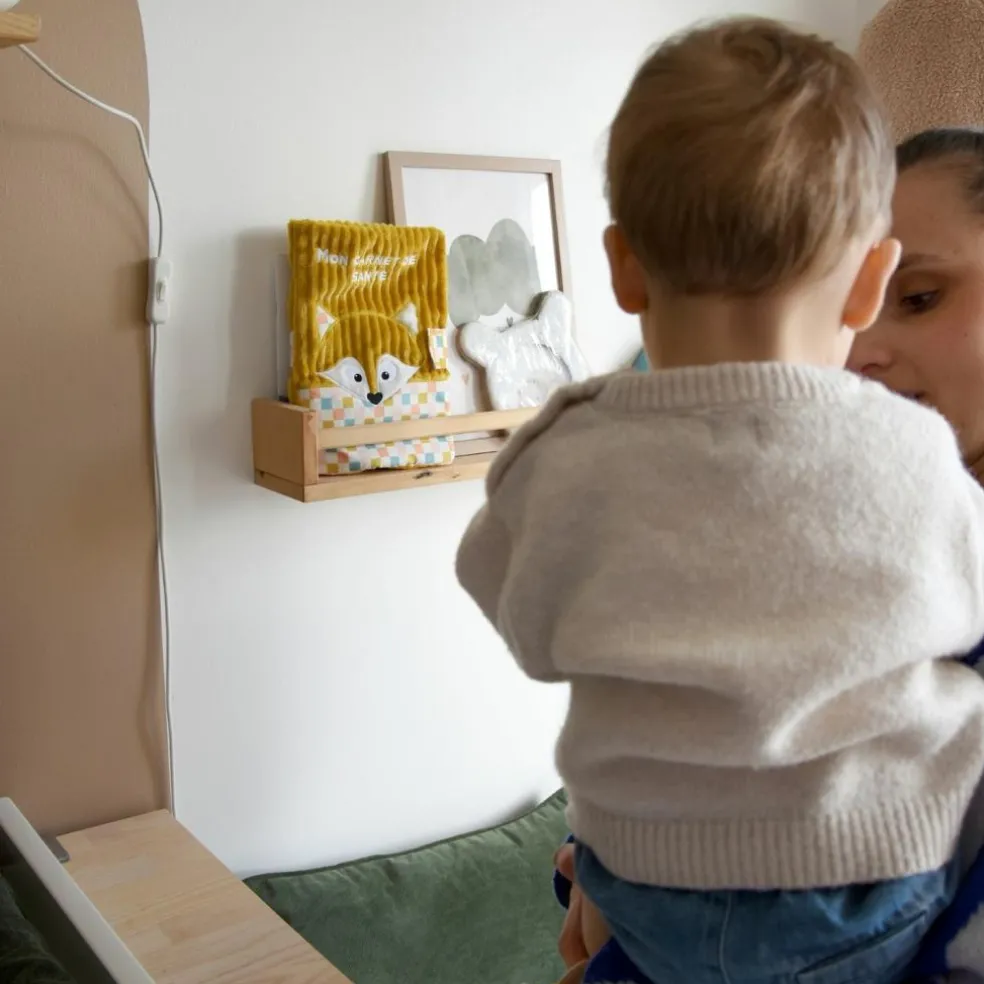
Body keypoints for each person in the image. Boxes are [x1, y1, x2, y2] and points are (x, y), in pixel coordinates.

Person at [456, 17, 984, 984]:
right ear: (869, 278)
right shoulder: (916, 459)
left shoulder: (565, 452)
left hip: (649, 888)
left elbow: (519, 616)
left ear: (620, 267)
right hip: (873, 889)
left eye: (930, 298)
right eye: (903, 293)